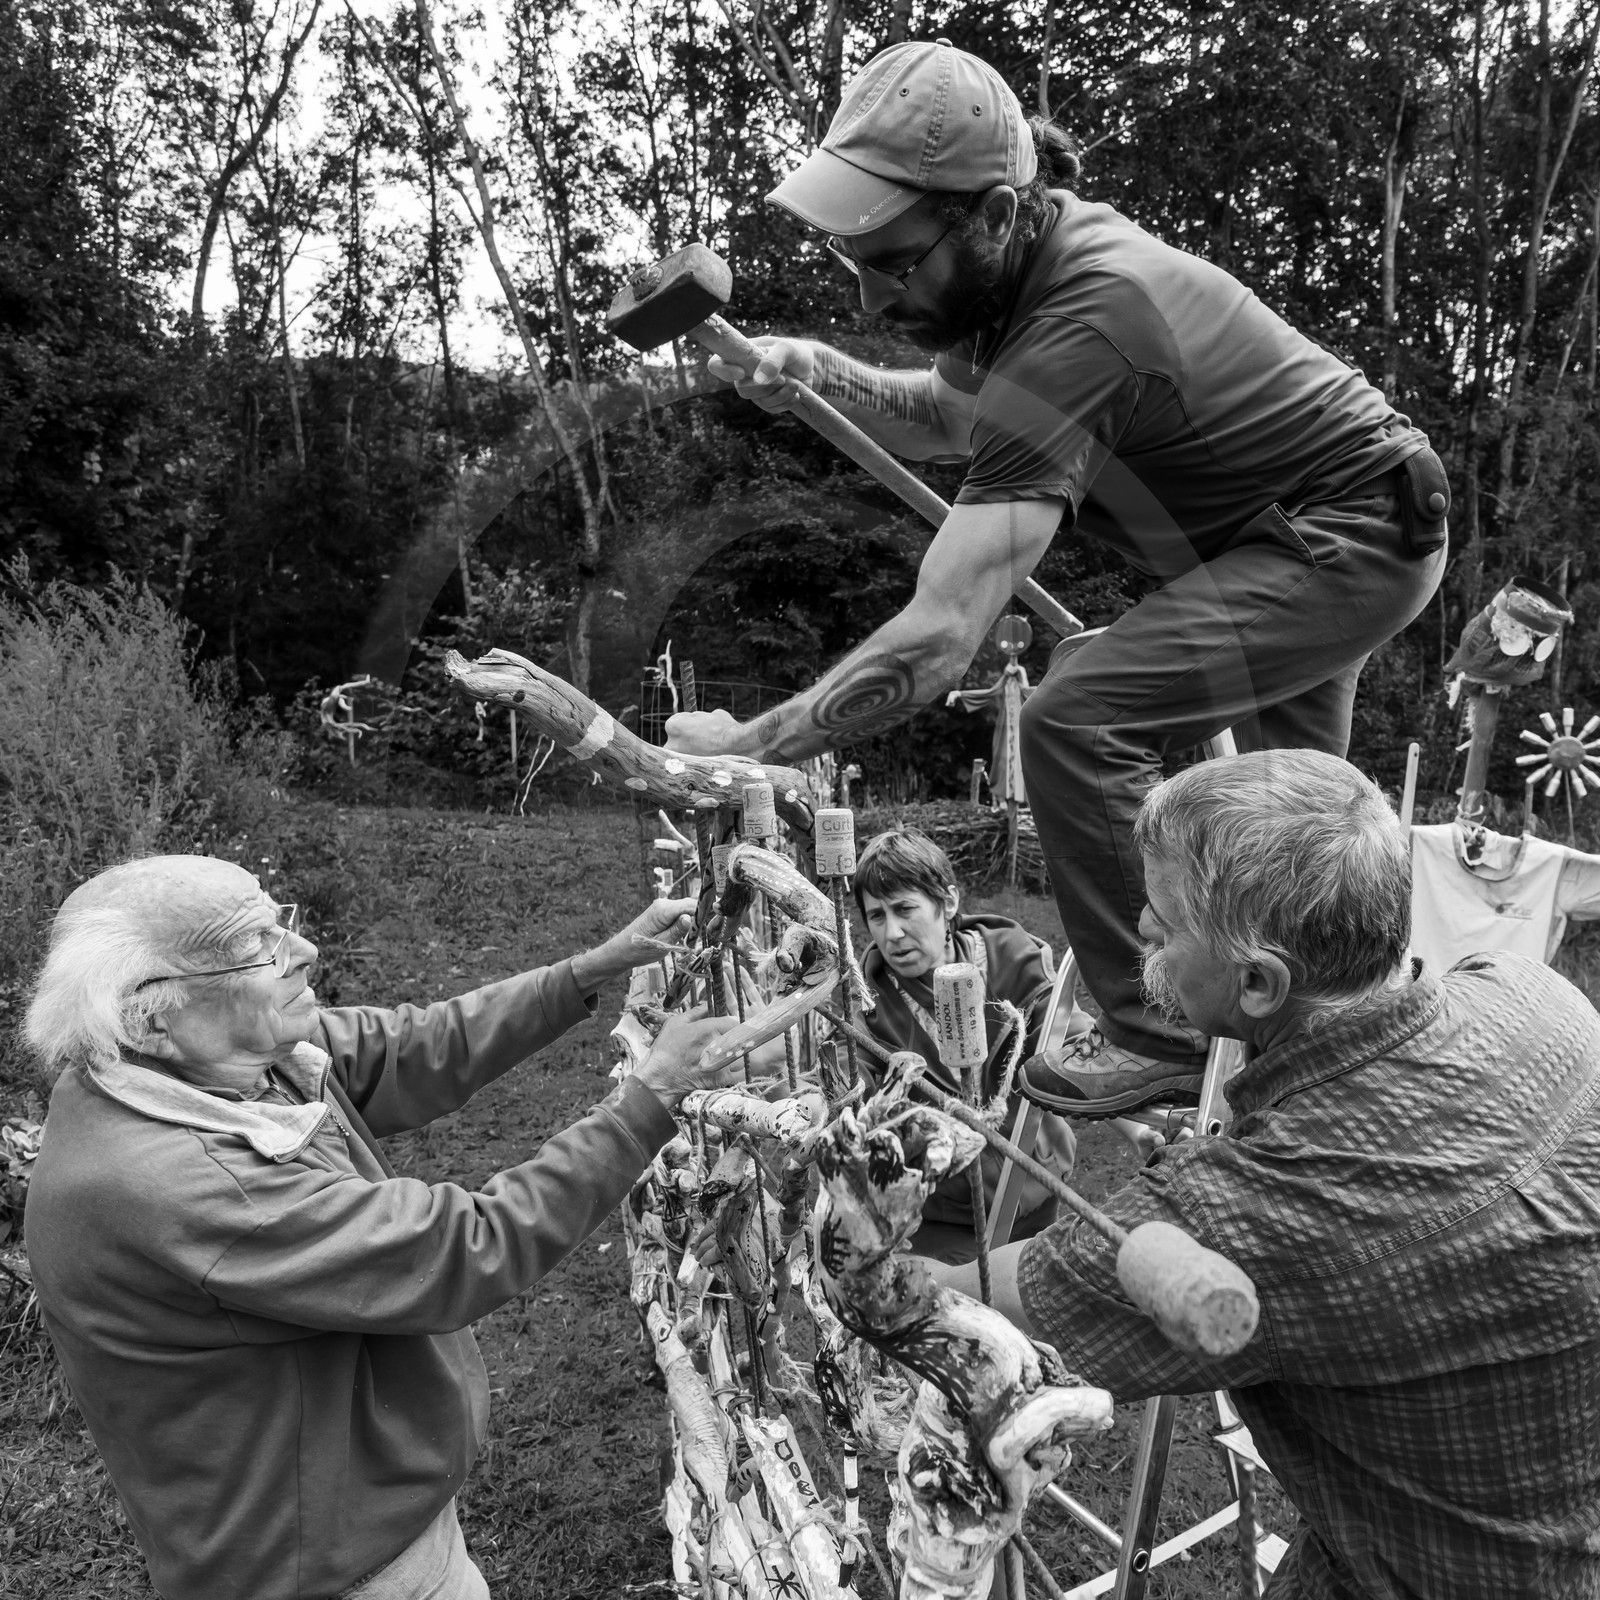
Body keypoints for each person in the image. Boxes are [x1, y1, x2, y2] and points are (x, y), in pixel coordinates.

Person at [665, 37, 1449, 1117]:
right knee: (1294, 843)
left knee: (1078, 716)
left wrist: (749, 748)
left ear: (990, 213)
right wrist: (822, 369)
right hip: (1291, 531)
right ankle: (1332, 1064)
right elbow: (951, 414)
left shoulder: (1084, 321)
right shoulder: (1006, 285)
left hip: (1343, 533)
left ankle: (1160, 1026)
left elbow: (944, 637)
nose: (869, 298)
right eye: (851, 264)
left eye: (891, 263)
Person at [933, 750, 1600, 1598]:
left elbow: (952, 1308)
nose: (1138, 926)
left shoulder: (1263, 1211)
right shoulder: (1529, 991)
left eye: (1164, 923)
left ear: (1257, 981)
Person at [22, 854, 737, 1600]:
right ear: (153, 1012)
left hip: (355, 1531)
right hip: (329, 1571)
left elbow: (408, 1047)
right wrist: (649, 1100)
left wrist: (591, 969)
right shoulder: (181, 1184)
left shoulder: (188, 1068)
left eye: (281, 922)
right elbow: (463, 1249)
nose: (305, 951)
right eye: (257, 948)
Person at [851, 828, 1079, 1261]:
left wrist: (1139, 1127)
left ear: (948, 903)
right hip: (943, 1221)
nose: (893, 932)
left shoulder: (1013, 959)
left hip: (1036, 1188)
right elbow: (849, 1092)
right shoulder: (865, 1006)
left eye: (904, 909)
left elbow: (1078, 1048)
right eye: (877, 916)